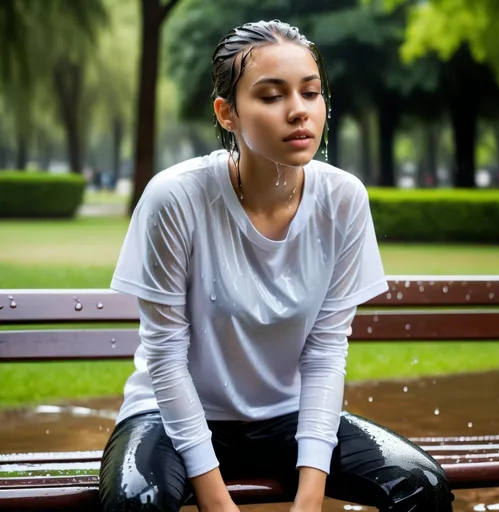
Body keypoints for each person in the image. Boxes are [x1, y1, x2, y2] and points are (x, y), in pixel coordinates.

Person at [99, 20, 454, 512]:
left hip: (286, 418)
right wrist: (219, 503)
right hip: (167, 416)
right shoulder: (176, 197)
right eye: (271, 96)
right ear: (227, 113)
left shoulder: (343, 199)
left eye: (311, 93)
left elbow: (326, 351)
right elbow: (165, 356)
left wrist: (308, 500)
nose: (298, 111)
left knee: (421, 486)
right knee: (137, 503)